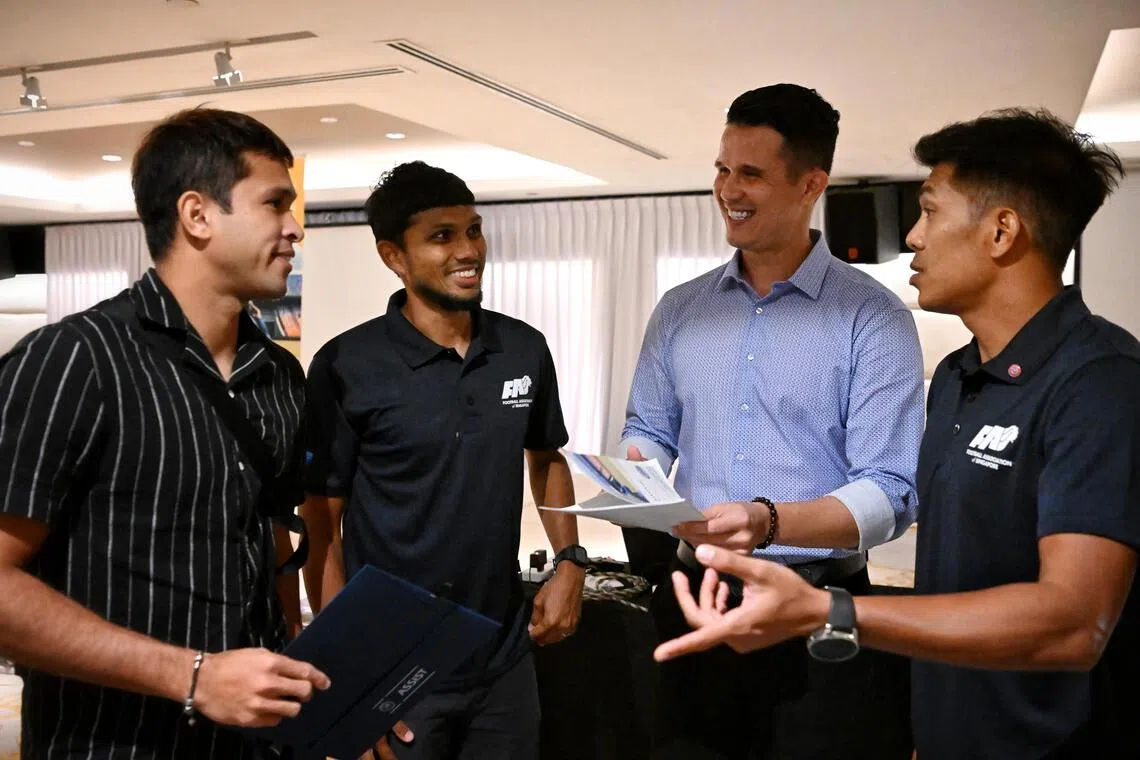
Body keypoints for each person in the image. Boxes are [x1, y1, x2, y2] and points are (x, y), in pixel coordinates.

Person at [654, 109, 1137, 760]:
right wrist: (765, 520)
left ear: (1001, 231)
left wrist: (825, 610)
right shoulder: (958, 377)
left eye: (931, 212)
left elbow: (1073, 624)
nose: (913, 237)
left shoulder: (1100, 383)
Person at [0, 108, 331, 759]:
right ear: (197, 215)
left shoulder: (281, 379)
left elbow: (267, 554)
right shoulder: (73, 360)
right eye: (275, 204)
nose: (296, 229)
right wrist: (194, 677)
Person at [620, 83, 926, 757]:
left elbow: (891, 490)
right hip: (695, 602)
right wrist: (634, 474)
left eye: (751, 174)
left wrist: (769, 520)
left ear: (811, 183)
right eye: (723, 170)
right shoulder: (680, 310)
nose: (729, 189)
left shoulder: (872, 317)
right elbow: (647, 430)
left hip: (820, 615)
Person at [301, 161, 586, 760]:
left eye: (474, 230)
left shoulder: (523, 348)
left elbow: (546, 457)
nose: (469, 251)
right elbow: (323, 523)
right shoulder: (345, 366)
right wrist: (343, 676)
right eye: (442, 236)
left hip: (501, 653)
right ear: (393, 256)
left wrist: (570, 563)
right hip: (393, 664)